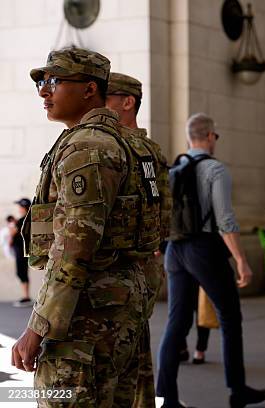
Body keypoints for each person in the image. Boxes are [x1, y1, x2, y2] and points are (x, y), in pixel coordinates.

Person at [11, 46, 159, 407]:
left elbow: (73, 250)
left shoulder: (87, 148)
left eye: (54, 81)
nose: (44, 92)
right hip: (117, 308)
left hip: (85, 318)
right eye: (41, 83)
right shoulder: (126, 143)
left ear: (90, 89)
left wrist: (38, 327)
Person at [157, 113, 265, 408]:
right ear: (209, 136)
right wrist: (242, 261)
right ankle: (237, 389)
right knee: (229, 317)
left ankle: (164, 397)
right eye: (215, 136)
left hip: (175, 249)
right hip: (204, 250)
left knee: (176, 323)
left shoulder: (175, 168)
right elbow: (225, 220)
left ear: (188, 138)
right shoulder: (215, 169)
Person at [106, 71, 171, 408]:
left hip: (117, 277)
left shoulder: (117, 149)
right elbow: (164, 219)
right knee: (136, 358)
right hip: (143, 273)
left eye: (107, 98)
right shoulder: (152, 152)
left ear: (127, 102)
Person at [11, 198, 32, 307]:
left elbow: (12, 234)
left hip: (21, 251)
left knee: (21, 272)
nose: (18, 208)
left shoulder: (22, 220)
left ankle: (26, 297)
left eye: (20, 206)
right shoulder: (28, 219)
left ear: (24, 208)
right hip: (24, 250)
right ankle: (26, 296)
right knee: (22, 272)